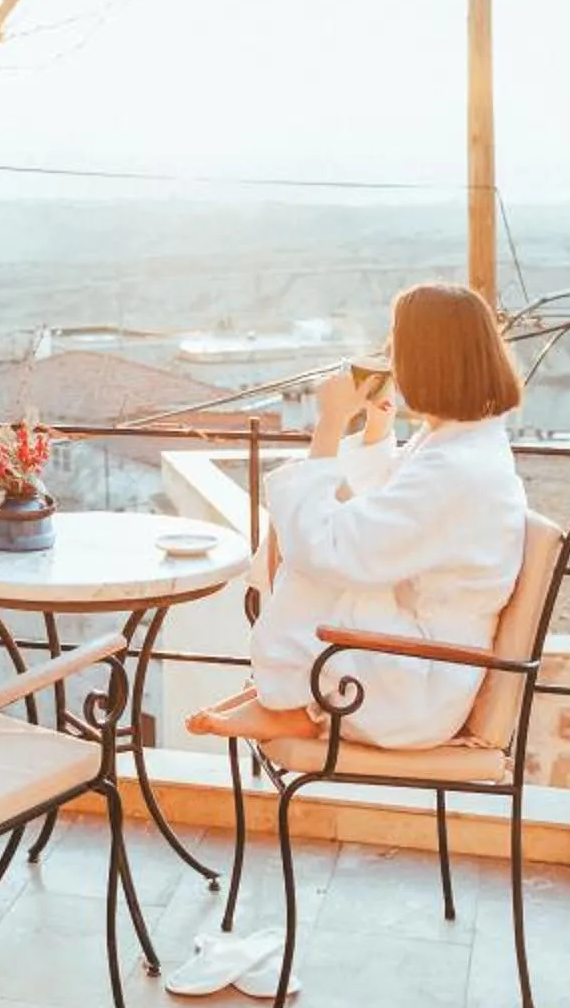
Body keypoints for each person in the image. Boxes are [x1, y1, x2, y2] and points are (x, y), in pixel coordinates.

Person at [188, 281, 527, 752]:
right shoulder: (462, 443)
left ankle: (289, 702)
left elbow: (333, 549)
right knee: (312, 529)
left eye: (396, 346)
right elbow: (381, 514)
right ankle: (288, 694)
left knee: (315, 562)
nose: (389, 357)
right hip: (419, 662)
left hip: (416, 689)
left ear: (429, 362)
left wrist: (329, 425)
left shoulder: (454, 467)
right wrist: (376, 429)